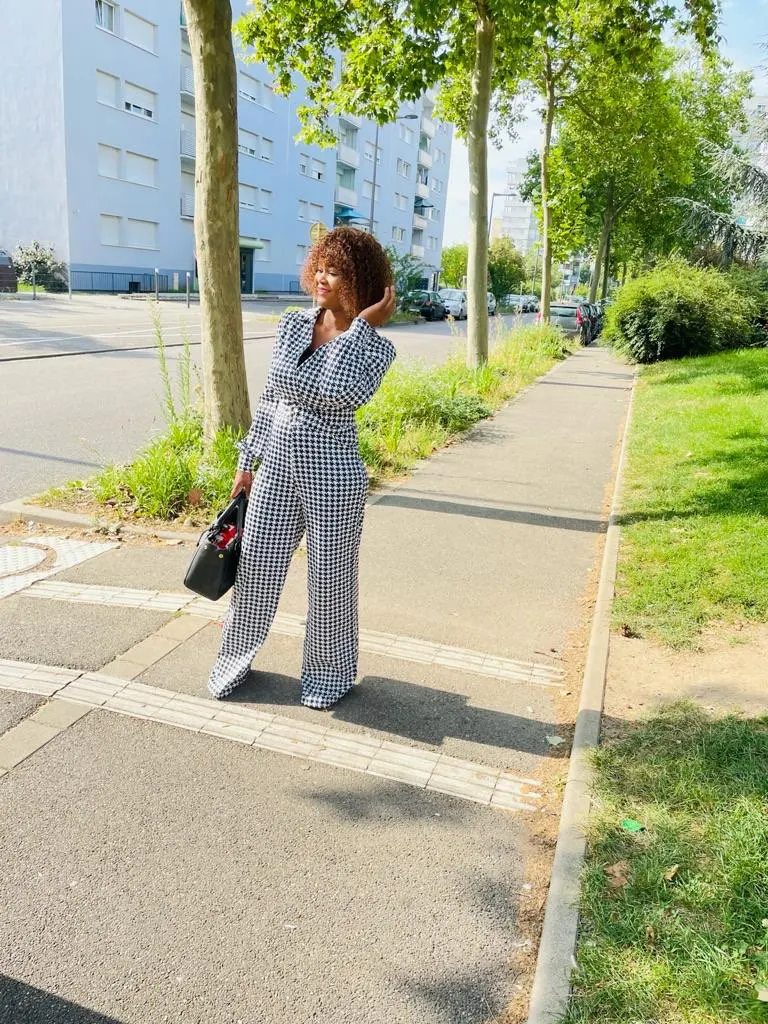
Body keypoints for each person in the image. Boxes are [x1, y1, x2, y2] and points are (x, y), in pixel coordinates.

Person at [207, 228, 397, 710]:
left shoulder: (376, 347)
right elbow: (272, 395)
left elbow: (341, 393)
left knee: (331, 580)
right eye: (320, 268)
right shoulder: (293, 324)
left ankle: (330, 674)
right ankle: (233, 662)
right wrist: (247, 461)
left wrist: (361, 328)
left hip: (334, 475)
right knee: (255, 567)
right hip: (275, 466)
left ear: (360, 280)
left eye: (336, 271)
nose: (322, 278)